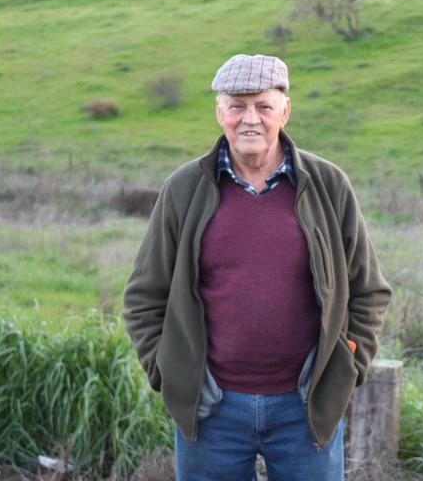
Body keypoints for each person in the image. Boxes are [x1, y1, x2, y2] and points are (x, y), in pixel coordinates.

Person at [123, 54, 392, 481]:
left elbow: (369, 291)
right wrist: (171, 372)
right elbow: (143, 296)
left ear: (284, 111)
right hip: (211, 409)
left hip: (306, 407)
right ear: (219, 112)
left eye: (263, 106)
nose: (251, 119)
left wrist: (347, 366)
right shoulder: (184, 189)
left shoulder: (328, 185)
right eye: (237, 106)